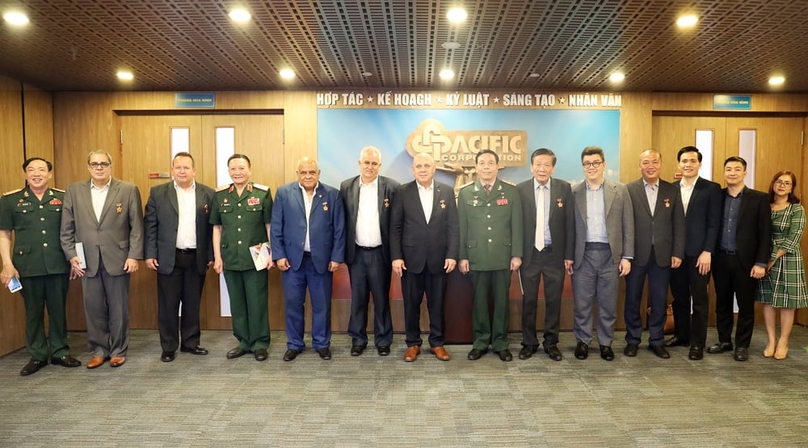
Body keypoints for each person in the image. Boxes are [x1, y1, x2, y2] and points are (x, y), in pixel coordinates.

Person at [60, 149, 144, 369]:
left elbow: (137, 226)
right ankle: (99, 350)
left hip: (119, 258)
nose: (99, 167)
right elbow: (66, 227)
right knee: (94, 308)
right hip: (86, 260)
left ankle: (118, 350)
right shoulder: (74, 190)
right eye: (95, 164)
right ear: (88, 166)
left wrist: (134, 255)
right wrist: (71, 256)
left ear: (110, 166)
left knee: (119, 308)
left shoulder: (127, 190)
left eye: (103, 164)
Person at [0, 157, 81, 376]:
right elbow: (5, 233)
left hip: (57, 263)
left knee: (57, 310)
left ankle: (59, 351)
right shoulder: (11, 200)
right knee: (33, 312)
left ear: (50, 174)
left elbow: (75, 231)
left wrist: (76, 259)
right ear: (25, 174)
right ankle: (37, 354)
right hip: (27, 265)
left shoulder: (63, 198)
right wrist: (7, 264)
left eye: (41, 170)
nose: (36, 173)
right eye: (31, 170)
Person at [271, 157, 345, 362]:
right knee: (293, 304)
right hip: (292, 262)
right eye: (303, 172)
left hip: (321, 261)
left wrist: (337, 257)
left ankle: (322, 343)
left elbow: (339, 229)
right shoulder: (284, 193)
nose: (308, 176)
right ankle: (294, 344)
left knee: (322, 305)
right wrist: (279, 255)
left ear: (319, 173)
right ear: (297, 174)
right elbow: (276, 227)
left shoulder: (332, 195)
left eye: (312, 172)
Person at [144, 152, 215, 362]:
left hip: (196, 257)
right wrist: (149, 254)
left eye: (186, 167)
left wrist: (211, 254)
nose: (182, 171)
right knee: (168, 305)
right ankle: (168, 346)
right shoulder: (158, 193)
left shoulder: (207, 194)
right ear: (172, 170)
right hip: (168, 257)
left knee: (193, 303)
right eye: (178, 167)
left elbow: (212, 228)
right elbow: (150, 225)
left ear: (194, 170)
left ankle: (191, 343)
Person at [390, 153, 458, 362]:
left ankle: (437, 343)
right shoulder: (402, 192)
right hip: (410, 261)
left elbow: (453, 227)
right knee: (411, 304)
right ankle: (413, 344)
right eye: (418, 166)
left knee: (437, 305)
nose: (422, 169)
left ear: (434, 168)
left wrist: (452, 255)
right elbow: (395, 227)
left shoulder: (446, 191)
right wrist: (396, 257)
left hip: (439, 260)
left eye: (426, 165)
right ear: (413, 169)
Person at [458, 149, 523, 362]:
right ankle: (480, 342)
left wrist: (516, 254)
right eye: (482, 163)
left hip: (503, 256)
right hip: (476, 256)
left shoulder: (510, 192)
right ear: (476, 167)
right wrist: (463, 256)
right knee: (479, 303)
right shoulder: (466, 193)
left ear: (497, 166)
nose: (486, 166)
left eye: (490, 163)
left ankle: (500, 343)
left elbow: (517, 226)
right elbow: (462, 228)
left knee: (502, 303)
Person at [571, 146, 634, 361]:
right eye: (587, 164)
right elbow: (569, 228)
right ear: (583, 166)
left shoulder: (620, 190)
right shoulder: (574, 192)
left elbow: (629, 225)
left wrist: (627, 256)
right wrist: (568, 256)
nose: (592, 167)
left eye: (596, 163)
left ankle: (606, 343)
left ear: (604, 165)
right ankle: (583, 341)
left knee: (608, 303)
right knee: (582, 303)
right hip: (584, 254)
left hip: (610, 255)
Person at [707, 156, 772, 362]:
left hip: (747, 262)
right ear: (724, 172)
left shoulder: (758, 198)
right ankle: (725, 341)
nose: (732, 173)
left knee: (745, 306)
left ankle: (742, 345)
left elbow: (765, 233)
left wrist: (761, 263)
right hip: (721, 259)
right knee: (722, 303)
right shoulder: (716, 196)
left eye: (737, 169)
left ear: (745, 173)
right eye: (728, 169)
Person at [210, 154, 273, 362]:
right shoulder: (220, 195)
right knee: (236, 302)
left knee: (257, 301)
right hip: (230, 256)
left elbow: (269, 226)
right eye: (233, 168)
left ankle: (260, 343)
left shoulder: (262, 194)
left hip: (257, 255)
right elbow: (217, 228)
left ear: (250, 169)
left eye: (241, 168)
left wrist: (272, 253)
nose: (237, 172)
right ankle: (244, 342)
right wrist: (217, 257)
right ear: (228, 170)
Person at [624, 149, 685, 359]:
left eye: (654, 162)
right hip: (636, 254)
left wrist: (677, 252)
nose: (650, 166)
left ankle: (656, 340)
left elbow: (679, 224)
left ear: (661, 164)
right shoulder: (629, 190)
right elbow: (625, 224)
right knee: (632, 298)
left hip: (663, 255)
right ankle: (632, 340)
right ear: (639, 165)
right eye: (645, 162)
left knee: (659, 299)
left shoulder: (672, 190)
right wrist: (626, 254)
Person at [340, 146, 399, 357]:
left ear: (379, 166)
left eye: (374, 163)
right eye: (366, 162)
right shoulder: (346, 186)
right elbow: (342, 222)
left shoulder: (391, 187)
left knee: (382, 298)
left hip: (381, 254)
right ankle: (358, 339)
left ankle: (383, 339)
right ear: (359, 163)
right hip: (356, 253)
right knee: (359, 298)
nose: (370, 166)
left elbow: (396, 224)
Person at [516, 148, 574, 361]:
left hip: (554, 255)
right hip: (529, 255)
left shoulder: (564, 188)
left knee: (553, 301)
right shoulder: (520, 190)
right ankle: (529, 343)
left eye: (546, 164)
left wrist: (568, 255)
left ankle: (551, 343)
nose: (542, 168)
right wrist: (516, 253)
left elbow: (570, 224)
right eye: (538, 164)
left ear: (553, 167)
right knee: (528, 300)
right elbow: (515, 224)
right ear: (531, 167)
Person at [666, 146, 721, 360]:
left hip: (700, 255)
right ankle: (682, 335)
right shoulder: (670, 189)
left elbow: (714, 223)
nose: (688, 164)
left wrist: (707, 251)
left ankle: (697, 343)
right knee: (679, 297)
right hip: (676, 253)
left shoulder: (711, 188)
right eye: (684, 161)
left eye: (692, 161)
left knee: (699, 299)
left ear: (699, 164)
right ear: (678, 164)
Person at [757, 170, 807, 360]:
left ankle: (784, 340)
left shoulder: (796, 209)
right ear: (773, 184)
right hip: (764, 256)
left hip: (788, 259)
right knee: (768, 300)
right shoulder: (765, 206)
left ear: (792, 188)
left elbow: (794, 238)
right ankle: (771, 340)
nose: (782, 185)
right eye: (778, 181)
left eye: (787, 183)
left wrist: (772, 259)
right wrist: (763, 259)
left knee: (787, 303)